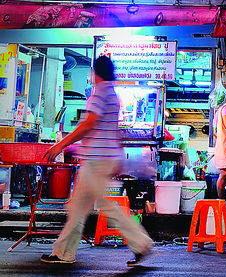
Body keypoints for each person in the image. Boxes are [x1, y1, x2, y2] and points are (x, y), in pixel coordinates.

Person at [40, 56, 152, 266]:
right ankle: (63, 252)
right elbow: (114, 130)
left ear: (96, 73)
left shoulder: (99, 94)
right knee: (78, 207)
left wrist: (60, 145)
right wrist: (117, 155)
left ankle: (141, 243)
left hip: (96, 159)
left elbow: (87, 126)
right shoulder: (112, 94)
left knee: (104, 205)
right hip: (104, 157)